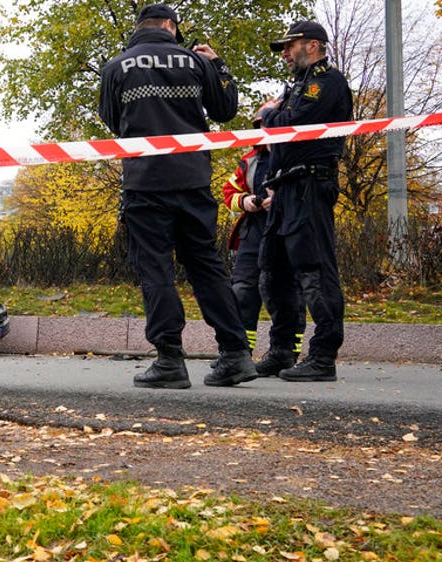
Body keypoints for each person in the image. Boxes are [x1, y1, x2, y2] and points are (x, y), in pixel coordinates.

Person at [98, 4, 256, 388]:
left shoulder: (116, 66)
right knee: (206, 268)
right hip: (192, 180)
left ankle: (170, 359)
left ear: (141, 27)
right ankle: (235, 354)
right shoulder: (195, 62)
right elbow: (225, 110)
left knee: (156, 270)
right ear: (171, 26)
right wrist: (217, 65)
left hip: (146, 183)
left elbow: (111, 118)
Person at [260, 20, 353, 382]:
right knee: (273, 274)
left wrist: (269, 114)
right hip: (284, 189)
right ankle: (282, 351)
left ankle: (323, 356)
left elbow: (290, 122)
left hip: (310, 185)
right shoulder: (298, 83)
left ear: (312, 46)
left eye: (289, 46)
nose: (284, 53)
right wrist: (276, 115)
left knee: (314, 272)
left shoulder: (326, 81)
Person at [221, 109, 306, 375]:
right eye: (261, 126)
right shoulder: (251, 160)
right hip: (254, 231)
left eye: (269, 125)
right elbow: (229, 192)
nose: (264, 131)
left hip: (287, 229)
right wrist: (246, 201)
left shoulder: (300, 156)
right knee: (243, 289)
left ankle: (285, 352)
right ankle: (239, 353)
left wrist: (282, 200)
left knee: (286, 292)